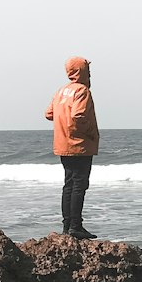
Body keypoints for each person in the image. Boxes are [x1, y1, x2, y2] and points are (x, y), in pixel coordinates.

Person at [44, 56, 100, 239]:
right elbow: (78, 116)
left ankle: (67, 226)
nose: (90, 73)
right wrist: (91, 133)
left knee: (69, 185)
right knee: (79, 185)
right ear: (81, 71)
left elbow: (49, 114)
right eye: (87, 70)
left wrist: (63, 117)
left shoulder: (61, 91)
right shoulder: (82, 91)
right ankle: (76, 226)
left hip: (62, 144)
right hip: (79, 145)